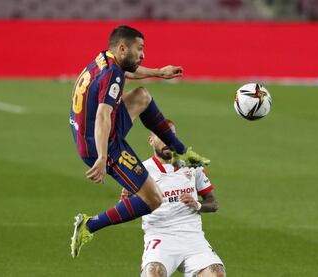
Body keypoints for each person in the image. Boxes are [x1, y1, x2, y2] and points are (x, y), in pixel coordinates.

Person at [69, 25, 210, 258]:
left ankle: (180, 150)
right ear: (123, 47)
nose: (143, 54)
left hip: (91, 131)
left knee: (141, 96)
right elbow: (103, 115)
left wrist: (158, 72)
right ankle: (88, 225)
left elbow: (127, 72)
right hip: (101, 142)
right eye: (140, 48)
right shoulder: (112, 72)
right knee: (153, 199)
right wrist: (103, 157)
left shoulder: (105, 59)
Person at [120, 120, 225, 277]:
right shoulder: (141, 171)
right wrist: (126, 201)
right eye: (161, 136)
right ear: (151, 140)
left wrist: (197, 204)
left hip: (193, 237)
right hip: (160, 237)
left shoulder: (192, 166)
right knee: (154, 273)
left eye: (171, 136)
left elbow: (213, 203)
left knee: (217, 274)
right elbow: (124, 209)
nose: (167, 141)